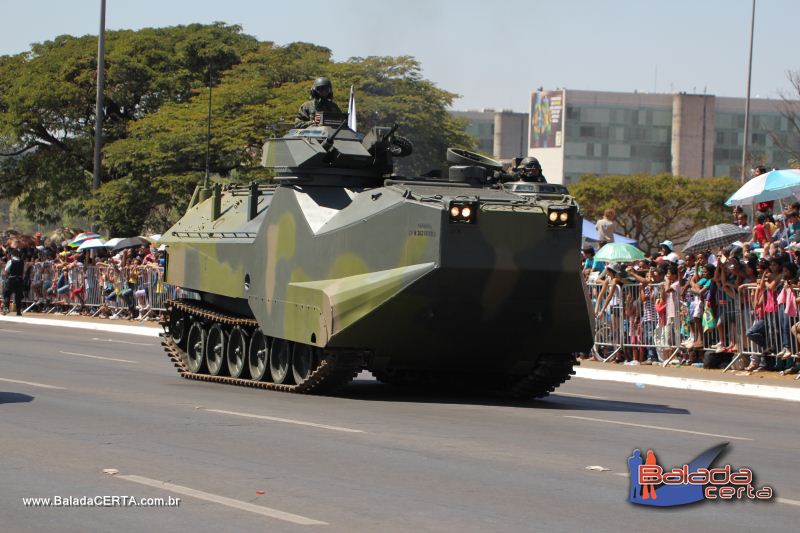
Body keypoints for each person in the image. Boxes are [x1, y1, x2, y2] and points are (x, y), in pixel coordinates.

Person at [3, 249, 25, 315]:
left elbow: (6, 271)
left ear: (12, 255)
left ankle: (6, 309)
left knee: (7, 294)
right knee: (18, 295)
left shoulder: (11, 261)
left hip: (12, 279)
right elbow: (22, 272)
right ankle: (18, 311)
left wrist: (7, 277)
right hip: (19, 279)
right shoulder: (21, 261)